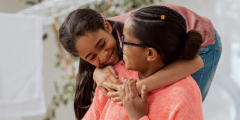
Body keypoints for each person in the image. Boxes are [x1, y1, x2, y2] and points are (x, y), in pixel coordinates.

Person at [59, 4, 221, 120]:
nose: (102, 57)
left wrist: (136, 88)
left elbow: (195, 63)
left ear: (107, 26)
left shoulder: (132, 31)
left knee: (180, 102)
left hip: (202, 43)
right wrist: (97, 71)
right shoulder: (97, 44)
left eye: (102, 45)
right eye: (91, 57)